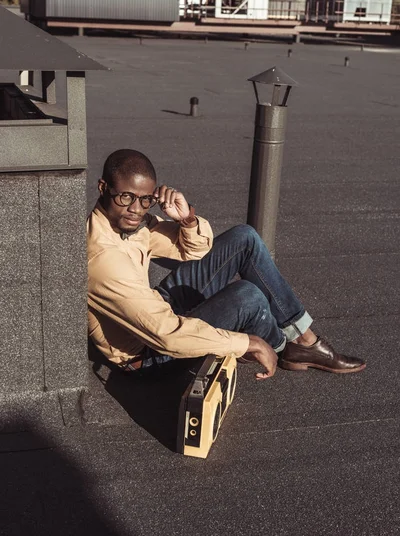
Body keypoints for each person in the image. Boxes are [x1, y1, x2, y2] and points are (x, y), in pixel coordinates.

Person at [87, 149, 366, 380]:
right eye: (126, 197)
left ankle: (304, 341)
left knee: (244, 238)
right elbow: (167, 335)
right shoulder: (103, 259)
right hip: (148, 353)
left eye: (145, 199)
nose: (136, 209)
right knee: (248, 297)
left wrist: (186, 221)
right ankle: (279, 347)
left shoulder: (128, 221)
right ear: (103, 188)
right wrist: (247, 342)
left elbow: (192, 250)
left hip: (155, 306)